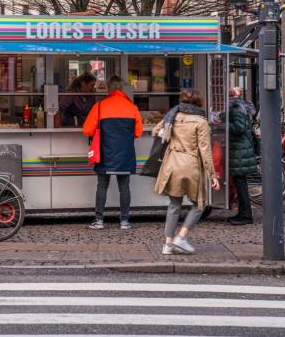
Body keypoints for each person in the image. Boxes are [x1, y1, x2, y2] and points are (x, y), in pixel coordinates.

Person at [151, 89, 220, 254]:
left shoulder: (173, 115)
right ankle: (181, 237)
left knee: (174, 205)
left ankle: (167, 245)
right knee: (199, 204)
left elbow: (154, 131)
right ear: (198, 102)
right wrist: (212, 174)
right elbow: (205, 150)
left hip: (172, 164)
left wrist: (166, 134)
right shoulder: (201, 121)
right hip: (191, 166)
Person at [83, 75, 143, 230]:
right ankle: (124, 221)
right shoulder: (132, 107)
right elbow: (138, 132)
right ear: (122, 89)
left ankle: (99, 220)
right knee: (124, 186)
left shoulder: (100, 106)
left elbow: (87, 130)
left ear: (109, 89)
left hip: (105, 153)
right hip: (125, 154)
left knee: (102, 185)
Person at [227, 88, 256, 225]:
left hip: (239, 150)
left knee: (241, 183)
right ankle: (243, 213)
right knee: (240, 183)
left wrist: (224, 124)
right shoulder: (241, 107)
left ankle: (246, 215)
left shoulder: (236, 109)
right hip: (241, 150)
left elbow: (239, 128)